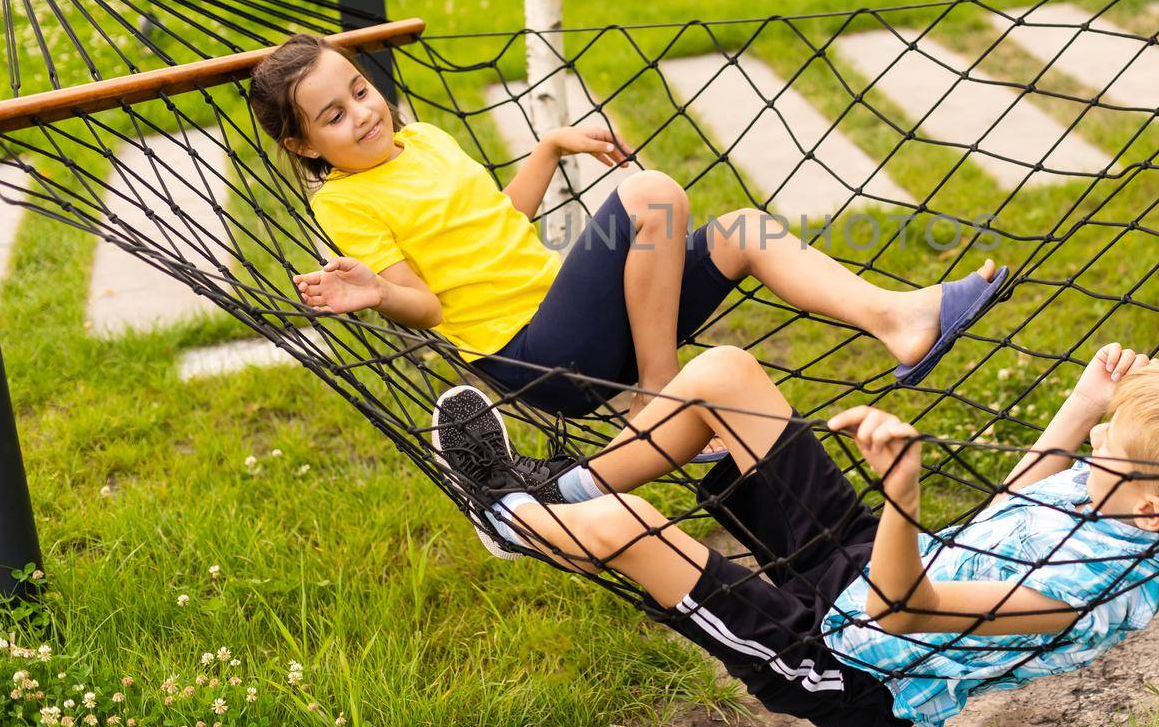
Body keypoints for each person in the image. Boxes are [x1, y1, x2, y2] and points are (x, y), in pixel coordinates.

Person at [430, 342, 1159, 727]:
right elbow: (1016, 502)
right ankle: (558, 491)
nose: (1095, 449)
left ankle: (503, 514)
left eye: (1108, 444)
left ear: (1151, 511)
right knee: (726, 375)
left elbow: (904, 606)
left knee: (629, 532)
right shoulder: (1134, 493)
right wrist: (1081, 408)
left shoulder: (1090, 598)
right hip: (862, 564)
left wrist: (904, 495)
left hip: (847, 661)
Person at [246, 34, 1007, 437]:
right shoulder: (347, 204)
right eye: (335, 116)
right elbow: (432, 307)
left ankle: (900, 322)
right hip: (534, 353)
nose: (364, 112)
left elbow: (497, 226)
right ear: (305, 146)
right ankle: (657, 397)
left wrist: (548, 149)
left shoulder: (427, 139)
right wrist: (380, 293)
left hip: (573, 315)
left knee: (742, 229)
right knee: (651, 195)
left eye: (359, 89)